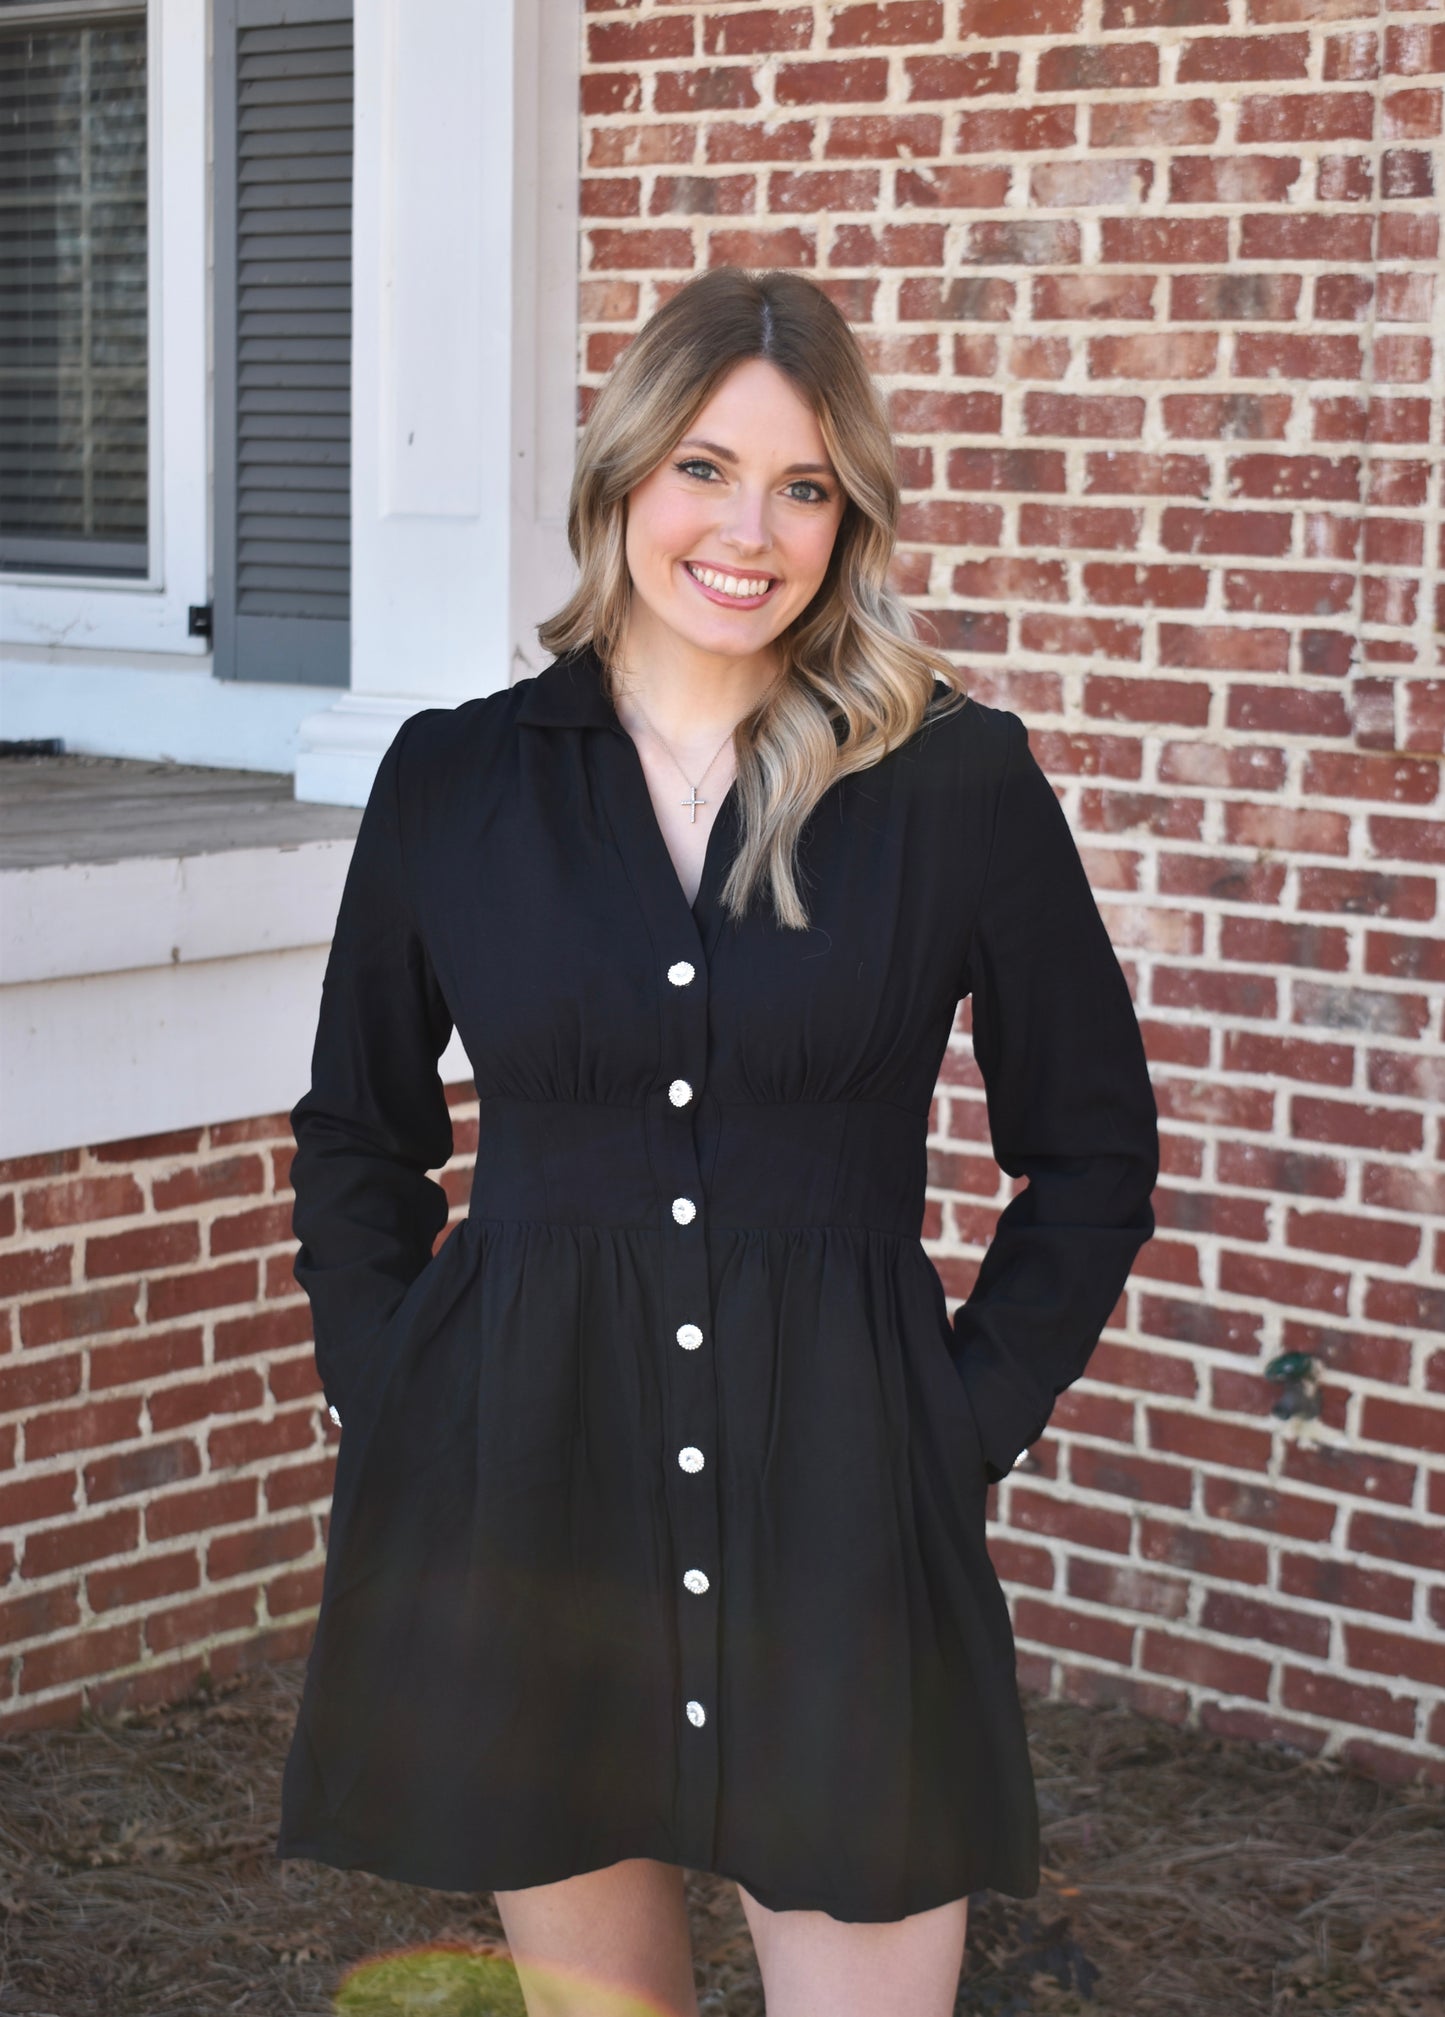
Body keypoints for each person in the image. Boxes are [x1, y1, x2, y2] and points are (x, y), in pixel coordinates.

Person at [275, 266, 1159, 2017]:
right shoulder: (456, 782)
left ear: (851, 517)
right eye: (704, 466)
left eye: (804, 485)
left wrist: (952, 1420)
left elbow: (1091, 1153)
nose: (748, 530)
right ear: (620, 481)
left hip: (841, 1495)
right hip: (526, 1482)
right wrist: (403, 1398)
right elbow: (356, 1135)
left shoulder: (956, 783)